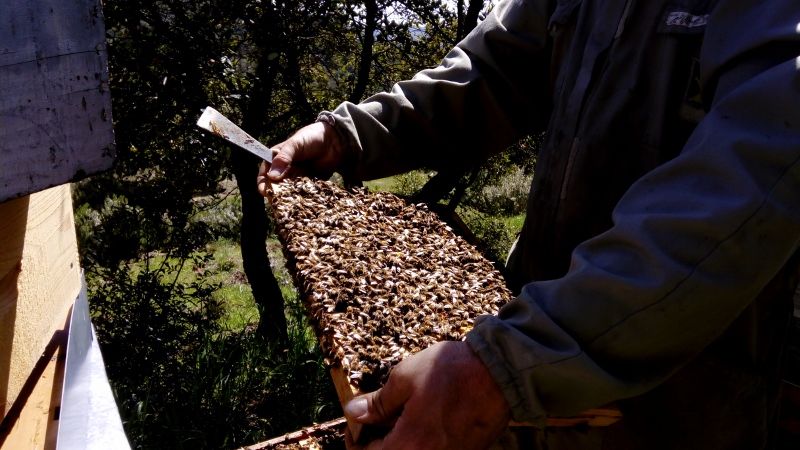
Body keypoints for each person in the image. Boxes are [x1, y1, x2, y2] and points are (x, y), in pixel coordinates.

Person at [257, 0, 800, 448]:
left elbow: (756, 169)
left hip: (679, 402)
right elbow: (493, 69)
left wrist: (508, 364)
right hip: (517, 371)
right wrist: (353, 133)